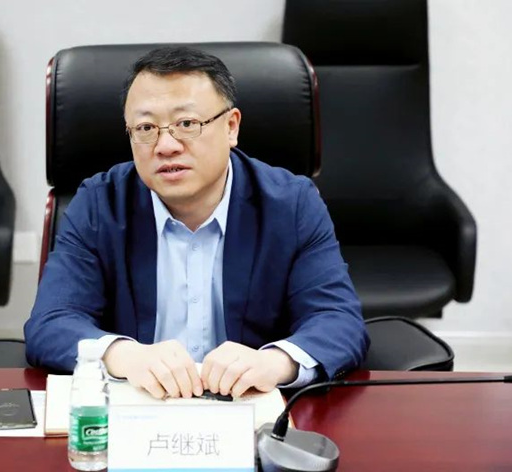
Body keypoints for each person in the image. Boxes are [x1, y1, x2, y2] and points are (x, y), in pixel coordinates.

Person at [25, 46, 368, 399]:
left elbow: (337, 320)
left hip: (250, 409)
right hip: (138, 409)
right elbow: (51, 323)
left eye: (187, 124)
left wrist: (275, 363)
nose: (165, 146)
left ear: (231, 127)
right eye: (146, 128)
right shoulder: (100, 204)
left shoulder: (291, 204)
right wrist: (124, 355)